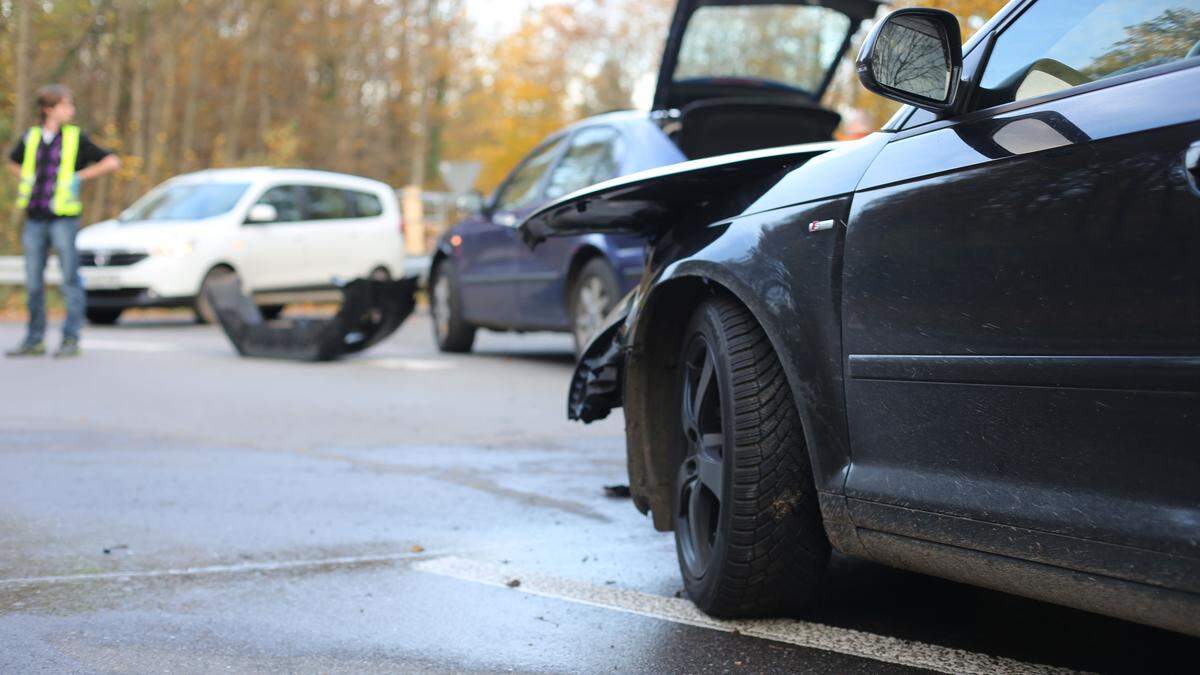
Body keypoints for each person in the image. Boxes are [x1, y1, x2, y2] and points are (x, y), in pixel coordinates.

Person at [6, 84, 120, 358]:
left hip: (64, 219)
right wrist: (25, 176)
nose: (72, 109)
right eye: (66, 104)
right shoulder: (31, 137)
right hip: (35, 217)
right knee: (34, 282)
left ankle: (71, 338)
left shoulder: (74, 137)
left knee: (70, 279)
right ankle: (35, 339)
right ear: (48, 109)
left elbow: (111, 162)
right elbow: (12, 161)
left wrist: (79, 177)